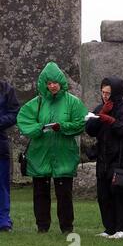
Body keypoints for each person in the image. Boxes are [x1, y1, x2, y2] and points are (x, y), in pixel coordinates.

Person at [17, 62, 87, 234]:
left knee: (64, 195)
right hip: (41, 155)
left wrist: (62, 127)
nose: (53, 86)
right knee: (40, 193)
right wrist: (39, 128)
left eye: (55, 82)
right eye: (49, 83)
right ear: (44, 84)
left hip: (63, 155)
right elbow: (24, 122)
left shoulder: (73, 102)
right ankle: (42, 226)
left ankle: (67, 227)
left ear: (61, 82)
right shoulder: (36, 103)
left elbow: (80, 123)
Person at [85, 76, 123, 239]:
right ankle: (109, 228)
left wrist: (111, 121)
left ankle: (122, 229)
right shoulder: (100, 107)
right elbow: (91, 130)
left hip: (121, 158)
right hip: (103, 158)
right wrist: (101, 114)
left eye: (108, 92)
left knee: (120, 194)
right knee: (103, 195)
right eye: (102, 92)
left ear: (116, 92)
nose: (105, 95)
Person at [0, 80, 20, 232]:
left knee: (2, 185)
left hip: (0, 144)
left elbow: (14, 113)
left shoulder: (6, 89)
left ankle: (3, 221)